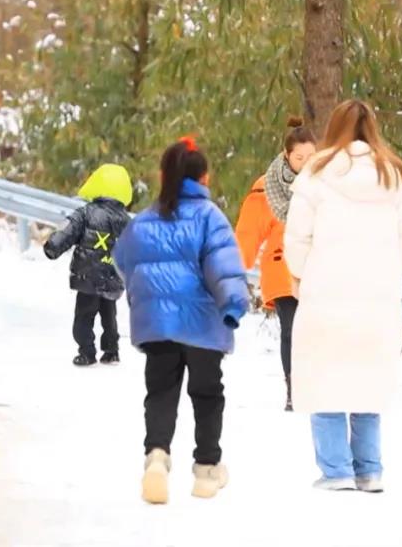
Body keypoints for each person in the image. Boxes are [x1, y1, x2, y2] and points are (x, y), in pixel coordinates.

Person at [283, 99, 402, 493]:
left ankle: (337, 470)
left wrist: (304, 276)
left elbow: (297, 238)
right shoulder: (391, 176)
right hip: (377, 300)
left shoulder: (316, 175)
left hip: (326, 296)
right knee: (367, 381)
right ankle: (370, 469)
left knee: (324, 379)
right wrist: (388, 276)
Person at [112, 137, 249, 505]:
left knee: (160, 393)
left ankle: (156, 456)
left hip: (157, 326)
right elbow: (224, 266)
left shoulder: (144, 219)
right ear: (203, 178)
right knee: (206, 395)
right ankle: (206, 469)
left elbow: (122, 259)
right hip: (203, 324)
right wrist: (234, 304)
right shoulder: (210, 217)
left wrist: (149, 296)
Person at [234, 116, 317, 412]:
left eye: (311, 157)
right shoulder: (266, 189)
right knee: (292, 329)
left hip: (319, 271)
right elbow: (248, 233)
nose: (305, 164)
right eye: (299, 158)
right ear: (286, 156)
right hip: (282, 268)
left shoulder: (328, 187)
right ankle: (295, 390)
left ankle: (316, 385)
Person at [44, 164, 133, 366]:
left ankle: (87, 351)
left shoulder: (86, 213)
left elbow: (67, 231)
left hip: (88, 275)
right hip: (114, 276)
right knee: (109, 314)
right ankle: (111, 350)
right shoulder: (127, 221)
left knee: (84, 315)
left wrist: (52, 247)